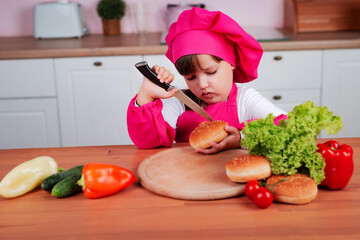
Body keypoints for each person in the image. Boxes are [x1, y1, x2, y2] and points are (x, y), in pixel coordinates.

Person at [127, 7, 286, 154]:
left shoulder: (245, 100)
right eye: (191, 77)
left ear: (231, 63)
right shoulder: (179, 102)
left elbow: (285, 125)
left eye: (211, 72)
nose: (202, 85)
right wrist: (145, 97)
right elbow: (150, 142)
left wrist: (241, 138)